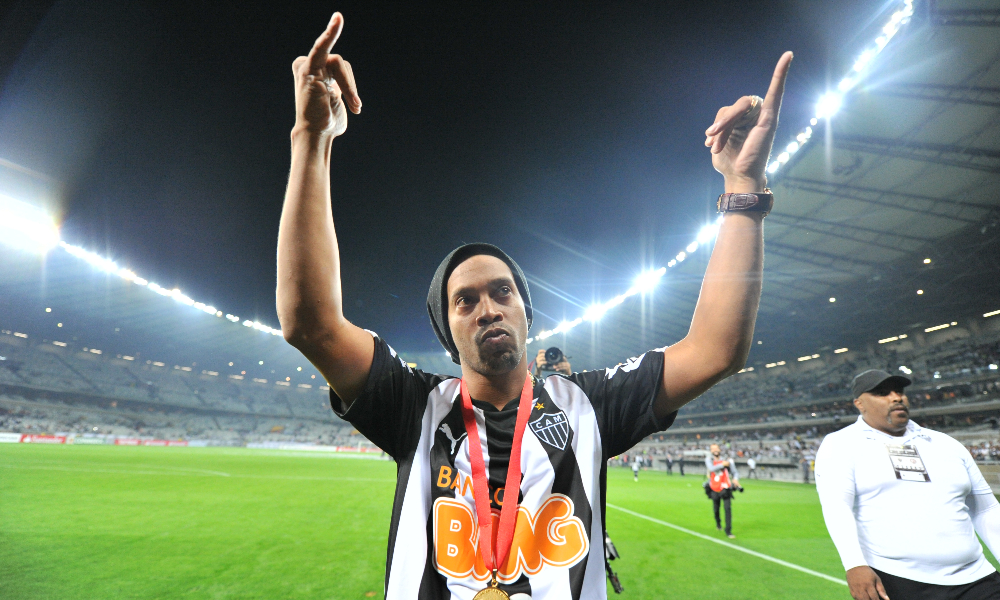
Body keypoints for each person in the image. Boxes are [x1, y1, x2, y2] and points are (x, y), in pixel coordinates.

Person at [276, 11, 793, 598]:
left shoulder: (589, 405)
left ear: (527, 312)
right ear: (448, 333)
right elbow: (309, 324)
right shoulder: (413, 406)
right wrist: (311, 138)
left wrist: (741, 189)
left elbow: (716, 350)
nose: (488, 308)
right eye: (463, 301)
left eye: (503, 292)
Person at [815, 369, 1000, 600]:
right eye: (882, 393)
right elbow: (836, 507)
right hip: (897, 580)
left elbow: (986, 509)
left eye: (899, 391)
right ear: (859, 403)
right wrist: (854, 564)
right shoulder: (841, 444)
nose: (896, 397)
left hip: (977, 578)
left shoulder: (946, 444)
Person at [705, 443, 741, 538]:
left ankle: (728, 530)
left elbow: (735, 472)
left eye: (716, 448)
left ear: (720, 449)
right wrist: (722, 464)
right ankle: (718, 524)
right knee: (716, 508)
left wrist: (736, 478)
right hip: (714, 487)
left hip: (725, 487)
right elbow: (711, 468)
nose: (715, 450)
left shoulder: (728, 460)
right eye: (713, 449)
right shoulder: (709, 460)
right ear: (711, 451)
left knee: (727, 508)